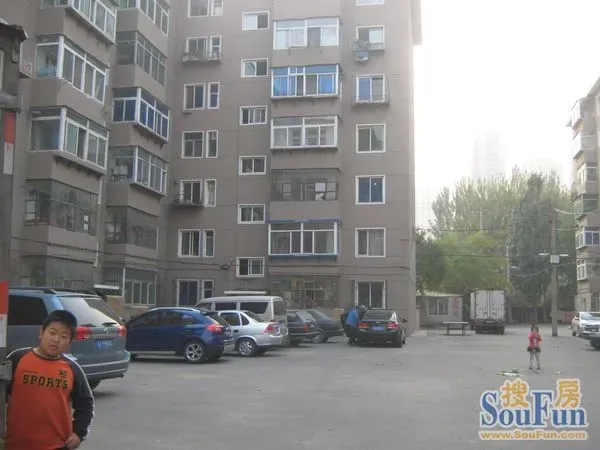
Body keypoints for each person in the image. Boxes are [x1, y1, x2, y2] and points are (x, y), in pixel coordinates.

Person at [6, 310, 95, 450]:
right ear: (41, 333)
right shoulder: (17, 359)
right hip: (15, 444)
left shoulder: (72, 369)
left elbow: (86, 404)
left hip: (57, 445)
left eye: (64, 336)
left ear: (70, 342)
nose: (56, 339)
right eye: (52, 333)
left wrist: (79, 433)